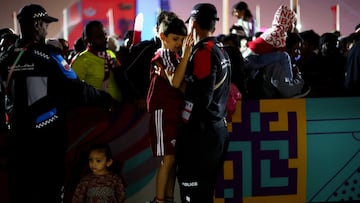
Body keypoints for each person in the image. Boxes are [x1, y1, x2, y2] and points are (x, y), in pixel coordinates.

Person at [0, 4, 115, 203]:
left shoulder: (5, 58)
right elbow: (77, 88)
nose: (47, 29)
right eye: (45, 24)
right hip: (46, 140)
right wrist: (105, 100)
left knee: (20, 193)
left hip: (16, 138)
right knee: (49, 193)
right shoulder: (48, 56)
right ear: (36, 24)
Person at [176, 3, 231, 203]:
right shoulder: (220, 49)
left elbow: (202, 99)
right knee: (204, 194)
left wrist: (174, 83)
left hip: (201, 135)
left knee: (193, 195)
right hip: (216, 130)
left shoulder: (204, 52)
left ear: (194, 24)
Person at [146, 16, 193, 203]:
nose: (179, 43)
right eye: (175, 39)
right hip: (163, 112)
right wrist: (188, 53)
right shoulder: (163, 54)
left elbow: (181, 85)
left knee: (172, 160)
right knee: (168, 160)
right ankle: (159, 200)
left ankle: (169, 198)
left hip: (173, 112)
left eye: (182, 40)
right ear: (162, 36)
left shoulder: (174, 57)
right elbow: (175, 83)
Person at [120, 11, 178, 111]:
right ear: (157, 29)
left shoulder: (179, 50)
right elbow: (124, 73)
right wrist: (138, 97)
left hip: (170, 107)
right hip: (144, 109)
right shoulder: (144, 48)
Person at [245, 5, 304, 98]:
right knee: (284, 56)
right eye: (292, 23)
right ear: (287, 22)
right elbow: (283, 53)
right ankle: (290, 80)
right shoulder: (280, 34)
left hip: (250, 58)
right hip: (254, 59)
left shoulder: (272, 31)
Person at [71, 20, 122, 103]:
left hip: (119, 109)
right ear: (88, 40)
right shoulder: (81, 60)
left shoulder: (110, 54)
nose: (105, 38)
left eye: (105, 34)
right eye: (99, 36)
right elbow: (74, 89)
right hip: (96, 111)